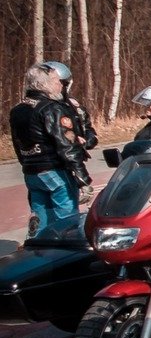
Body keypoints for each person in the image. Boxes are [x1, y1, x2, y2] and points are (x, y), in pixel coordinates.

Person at [10, 63, 91, 236]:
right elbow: (67, 145)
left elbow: (18, 145)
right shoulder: (52, 108)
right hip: (55, 170)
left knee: (41, 220)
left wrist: (28, 165)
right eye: (56, 80)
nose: (61, 85)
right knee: (67, 222)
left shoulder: (18, 110)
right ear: (44, 83)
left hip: (32, 173)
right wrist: (82, 177)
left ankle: (38, 253)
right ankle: (65, 257)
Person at [41, 61, 98, 203]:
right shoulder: (45, 108)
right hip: (57, 163)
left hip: (72, 161)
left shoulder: (74, 106)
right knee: (64, 209)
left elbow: (88, 129)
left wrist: (86, 141)